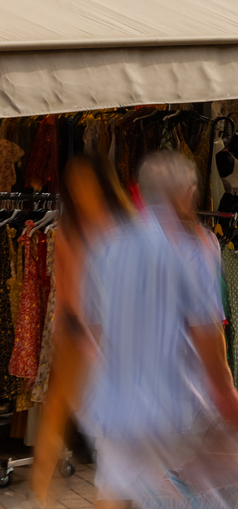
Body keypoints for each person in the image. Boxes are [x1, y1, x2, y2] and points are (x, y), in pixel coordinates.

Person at [79, 150, 238, 509]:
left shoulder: (106, 247)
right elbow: (207, 333)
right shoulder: (197, 246)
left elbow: (93, 331)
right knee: (230, 494)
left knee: (117, 495)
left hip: (118, 409)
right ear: (186, 193)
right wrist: (228, 396)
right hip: (177, 408)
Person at [34, 153, 130, 504]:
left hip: (117, 342)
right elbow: (64, 292)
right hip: (77, 337)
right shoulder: (68, 233)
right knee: (56, 418)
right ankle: (41, 494)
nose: (78, 191)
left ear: (101, 184)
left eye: (84, 182)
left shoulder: (123, 231)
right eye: (72, 185)